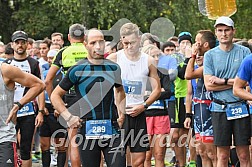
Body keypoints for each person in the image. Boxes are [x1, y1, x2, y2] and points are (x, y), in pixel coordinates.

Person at [51, 29, 126, 167]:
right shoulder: (77, 69)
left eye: (101, 41)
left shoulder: (113, 68)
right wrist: (68, 117)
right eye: (93, 42)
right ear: (85, 44)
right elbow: (55, 95)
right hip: (87, 129)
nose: (98, 46)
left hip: (112, 127)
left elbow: (120, 91)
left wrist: (122, 114)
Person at [107, 23, 161, 167]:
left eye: (132, 43)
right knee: (117, 160)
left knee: (139, 161)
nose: (129, 46)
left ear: (139, 39)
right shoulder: (114, 58)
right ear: (121, 40)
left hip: (138, 113)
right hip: (119, 114)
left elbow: (157, 89)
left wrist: (144, 106)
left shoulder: (148, 60)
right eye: (125, 43)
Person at [204, 16, 251, 167]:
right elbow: (209, 85)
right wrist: (235, 83)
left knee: (243, 154)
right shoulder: (209, 55)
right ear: (216, 33)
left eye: (227, 30)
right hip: (220, 107)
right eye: (220, 30)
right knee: (222, 155)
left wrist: (222, 81)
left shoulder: (244, 52)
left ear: (233, 31)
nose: (223, 34)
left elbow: (246, 82)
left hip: (240, 106)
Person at [45, 23, 88, 167]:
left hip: (70, 100)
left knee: (74, 140)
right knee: (94, 141)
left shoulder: (63, 52)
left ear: (69, 37)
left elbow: (48, 80)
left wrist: (55, 103)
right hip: (91, 99)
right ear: (84, 37)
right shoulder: (90, 49)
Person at [5, 30, 45, 167]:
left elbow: (40, 88)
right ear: (12, 44)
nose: (20, 45)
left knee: (26, 148)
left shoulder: (33, 63)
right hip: (10, 112)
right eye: (17, 42)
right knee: (9, 145)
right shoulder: (7, 64)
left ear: (27, 44)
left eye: (23, 42)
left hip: (28, 111)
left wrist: (40, 111)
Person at [0, 62, 45, 167]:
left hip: (4, 137)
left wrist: (19, 105)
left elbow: (39, 85)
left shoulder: (5, 70)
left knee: (26, 149)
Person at [184, 30, 217, 167]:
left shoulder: (212, 61)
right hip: (198, 111)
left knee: (212, 153)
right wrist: (188, 114)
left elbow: (188, 74)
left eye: (197, 42)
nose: (195, 45)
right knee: (202, 152)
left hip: (210, 109)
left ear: (205, 44)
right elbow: (189, 87)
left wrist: (192, 55)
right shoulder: (201, 63)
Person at [141, 44, 171, 167]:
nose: (156, 58)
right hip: (145, 116)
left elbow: (169, 92)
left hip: (161, 115)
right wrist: (159, 91)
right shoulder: (141, 73)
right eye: (153, 56)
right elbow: (138, 94)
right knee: (146, 155)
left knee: (159, 155)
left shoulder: (163, 73)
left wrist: (151, 94)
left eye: (158, 55)